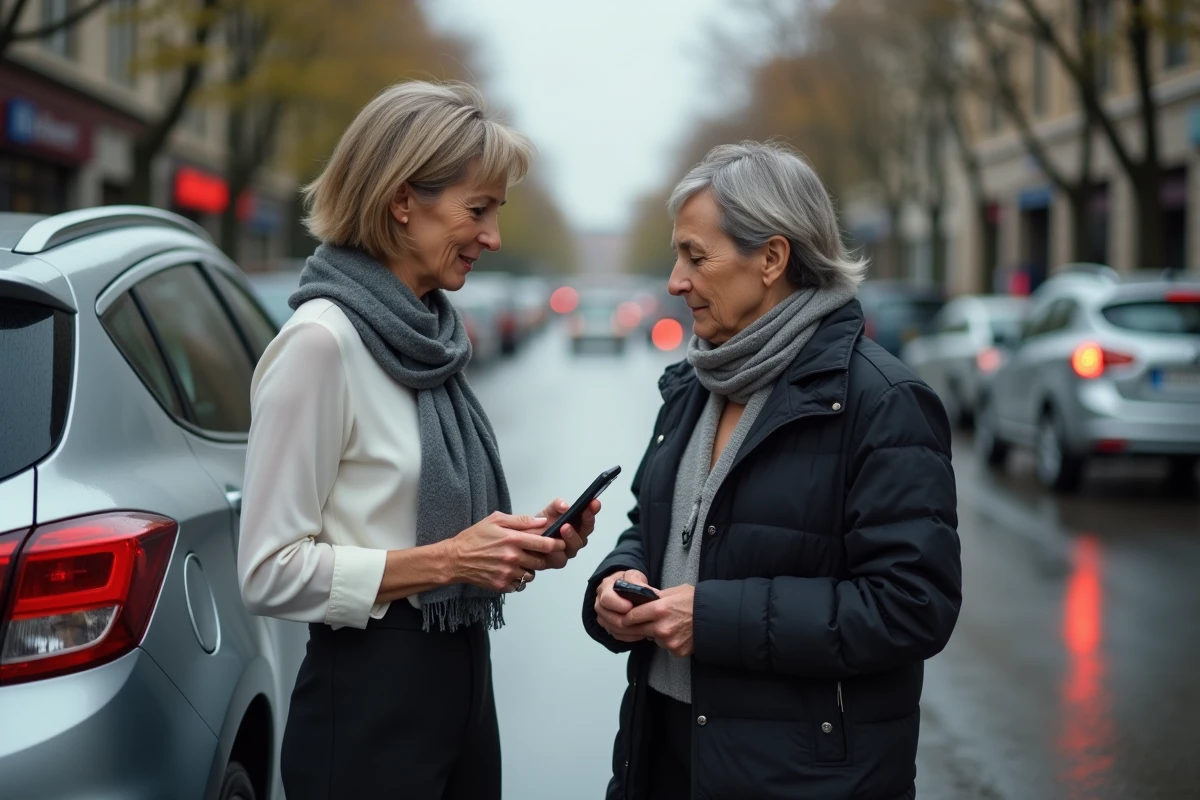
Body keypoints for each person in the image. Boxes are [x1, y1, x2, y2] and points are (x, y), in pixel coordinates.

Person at [237, 80, 600, 800]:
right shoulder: (321, 344)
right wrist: (450, 561)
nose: (493, 238)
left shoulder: (431, 335)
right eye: (478, 210)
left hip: (461, 681)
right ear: (403, 201)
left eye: (496, 213)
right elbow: (267, 571)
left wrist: (516, 542)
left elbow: (408, 513)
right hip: (368, 703)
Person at [583, 141, 962, 800]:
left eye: (695, 257)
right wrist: (618, 580)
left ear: (771, 258)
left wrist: (712, 619)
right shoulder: (694, 384)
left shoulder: (883, 401)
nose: (675, 281)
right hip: (664, 754)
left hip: (800, 778)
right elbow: (655, 527)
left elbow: (911, 607)